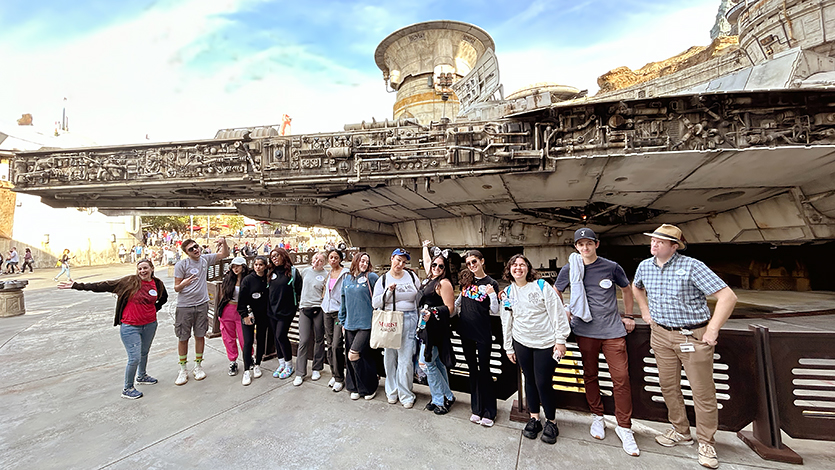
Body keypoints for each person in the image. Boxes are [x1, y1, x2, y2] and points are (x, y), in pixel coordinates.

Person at [633, 224, 737, 470]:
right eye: (653, 240)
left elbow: (727, 297)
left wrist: (712, 329)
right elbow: (637, 287)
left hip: (692, 335)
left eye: (660, 241)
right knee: (668, 386)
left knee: (702, 391)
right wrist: (645, 311)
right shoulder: (645, 266)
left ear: (674, 246)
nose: (654, 244)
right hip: (660, 334)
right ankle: (680, 431)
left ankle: (707, 441)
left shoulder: (692, 266)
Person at [555, 228, 639, 456]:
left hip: (612, 330)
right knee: (589, 374)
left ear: (596, 244)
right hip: (585, 330)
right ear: (576, 247)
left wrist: (629, 315)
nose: (585, 248)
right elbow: (556, 291)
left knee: (620, 377)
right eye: (580, 244)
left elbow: (626, 289)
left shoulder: (611, 267)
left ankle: (624, 427)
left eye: (588, 244)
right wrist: (565, 311)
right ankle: (597, 416)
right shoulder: (570, 268)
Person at [58, 259, 168, 399]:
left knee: (144, 352)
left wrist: (153, 310)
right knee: (134, 357)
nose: (142, 271)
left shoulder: (157, 284)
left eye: (145, 268)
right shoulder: (129, 281)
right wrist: (77, 285)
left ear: (152, 268)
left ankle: (142, 376)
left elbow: (163, 298)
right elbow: (104, 285)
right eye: (140, 269)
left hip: (150, 324)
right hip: (130, 326)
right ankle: (127, 388)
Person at [500, 254, 570, 445]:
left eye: (522, 265)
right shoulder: (508, 292)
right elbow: (506, 321)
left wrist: (560, 339)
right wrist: (508, 347)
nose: (518, 268)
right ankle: (534, 418)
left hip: (545, 343)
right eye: (514, 265)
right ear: (509, 270)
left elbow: (557, 312)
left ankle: (552, 421)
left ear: (528, 269)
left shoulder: (541, 286)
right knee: (529, 380)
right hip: (522, 342)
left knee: (543, 382)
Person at [173, 237, 230, 385]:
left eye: (196, 246)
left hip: (202, 304)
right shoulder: (181, 264)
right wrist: (183, 283)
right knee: (183, 337)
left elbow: (224, 255)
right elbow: (176, 287)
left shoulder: (205, 259)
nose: (195, 250)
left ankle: (198, 366)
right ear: (186, 252)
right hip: (185, 305)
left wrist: (223, 242)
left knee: (200, 335)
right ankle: (183, 369)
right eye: (191, 249)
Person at [372, 248, 421, 409]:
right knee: (390, 358)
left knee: (406, 360)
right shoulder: (383, 279)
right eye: (398, 260)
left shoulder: (412, 276)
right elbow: (375, 303)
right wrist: (388, 292)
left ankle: (406, 393)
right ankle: (391, 391)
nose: (400, 264)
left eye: (403, 261)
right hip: (390, 321)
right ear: (391, 258)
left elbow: (419, 298)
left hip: (410, 319)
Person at [456, 249, 500, 427]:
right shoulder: (467, 281)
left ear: (482, 261)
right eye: (468, 263)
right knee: (472, 370)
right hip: (466, 331)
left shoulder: (492, 283)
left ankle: (490, 410)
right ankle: (476, 408)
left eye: (474, 262)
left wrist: (491, 294)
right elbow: (459, 302)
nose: (472, 266)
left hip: (482, 333)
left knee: (485, 370)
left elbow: (495, 309)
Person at [418, 241, 456, 415]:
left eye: (441, 266)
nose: (436, 268)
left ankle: (442, 398)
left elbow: (450, 308)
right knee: (437, 363)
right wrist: (425, 246)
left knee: (427, 363)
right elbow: (427, 260)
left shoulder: (444, 283)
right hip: (426, 326)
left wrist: (432, 312)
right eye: (434, 264)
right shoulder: (430, 278)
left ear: (445, 267)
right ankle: (442, 397)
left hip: (436, 328)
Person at [340, 252, 380, 400]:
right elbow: (343, 301)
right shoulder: (347, 279)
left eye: (366, 262)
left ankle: (369, 386)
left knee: (355, 354)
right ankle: (353, 386)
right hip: (350, 324)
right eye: (362, 261)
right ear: (355, 261)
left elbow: (379, 297)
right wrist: (342, 320)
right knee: (350, 357)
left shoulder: (371, 277)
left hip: (366, 324)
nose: (364, 264)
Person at [267, 247, 303, 379]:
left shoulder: (292, 272)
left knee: (281, 335)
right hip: (272, 310)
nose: (274, 258)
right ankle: (281, 363)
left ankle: (289, 365)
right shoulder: (270, 271)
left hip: (286, 310)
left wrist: (297, 306)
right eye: (272, 257)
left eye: (277, 255)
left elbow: (299, 290)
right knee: (276, 337)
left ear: (283, 255)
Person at [294, 252, 327, 386]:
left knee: (319, 338)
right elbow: (297, 287)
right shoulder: (304, 271)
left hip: (318, 308)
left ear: (324, 262)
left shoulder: (326, 275)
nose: (317, 261)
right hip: (304, 308)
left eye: (320, 260)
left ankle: (316, 368)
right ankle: (300, 372)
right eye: (315, 259)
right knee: (304, 340)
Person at [237, 256, 270, 385]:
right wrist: (244, 315)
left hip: (263, 315)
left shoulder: (268, 278)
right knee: (248, 341)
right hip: (249, 314)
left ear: (265, 266)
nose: (258, 267)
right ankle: (246, 370)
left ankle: (257, 364)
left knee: (261, 339)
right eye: (256, 264)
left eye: (261, 264)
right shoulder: (248, 280)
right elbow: (242, 300)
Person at [321, 249, 349, 392]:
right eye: (331, 257)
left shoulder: (345, 274)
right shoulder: (328, 273)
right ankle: (334, 373)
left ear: (340, 259)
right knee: (330, 343)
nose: (333, 260)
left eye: (336, 257)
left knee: (337, 344)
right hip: (327, 311)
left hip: (339, 312)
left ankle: (339, 377)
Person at [216, 257, 250, 377]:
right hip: (228, 310)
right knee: (228, 337)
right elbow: (223, 295)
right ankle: (232, 361)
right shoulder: (228, 278)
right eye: (233, 266)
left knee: (244, 337)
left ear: (243, 266)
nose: (235, 268)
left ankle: (248, 358)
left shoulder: (248, 279)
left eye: (238, 266)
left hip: (242, 310)